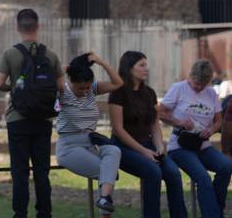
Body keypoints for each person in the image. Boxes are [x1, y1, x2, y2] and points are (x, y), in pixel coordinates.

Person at [0, 8, 64, 218]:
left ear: (18, 27)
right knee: (42, 170)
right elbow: (61, 87)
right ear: (38, 26)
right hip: (43, 119)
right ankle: (44, 212)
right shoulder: (50, 54)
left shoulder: (10, 53)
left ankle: (20, 213)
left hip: (18, 118)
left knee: (20, 170)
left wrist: (14, 88)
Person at [108, 50, 185, 218]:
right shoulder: (118, 93)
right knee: (153, 172)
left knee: (173, 172)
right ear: (129, 69)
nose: (146, 69)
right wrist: (144, 152)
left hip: (148, 145)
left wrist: (159, 146)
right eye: (141, 65)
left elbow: (154, 124)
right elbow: (118, 130)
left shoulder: (149, 93)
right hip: (123, 148)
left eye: (146, 65)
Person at [159, 59, 232, 218]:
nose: (199, 87)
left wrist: (211, 130)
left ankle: (216, 212)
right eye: (196, 83)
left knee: (226, 166)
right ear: (190, 76)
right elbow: (160, 112)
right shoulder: (178, 89)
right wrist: (179, 122)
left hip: (203, 145)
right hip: (180, 146)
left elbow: (218, 121)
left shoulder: (211, 93)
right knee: (203, 178)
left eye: (203, 84)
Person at [55, 53, 123, 215]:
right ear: (71, 82)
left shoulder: (92, 89)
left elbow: (118, 83)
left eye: (88, 87)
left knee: (114, 151)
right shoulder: (62, 90)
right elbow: (45, 84)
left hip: (91, 142)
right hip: (69, 146)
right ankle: (106, 203)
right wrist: (62, 70)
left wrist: (102, 63)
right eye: (81, 88)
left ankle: (105, 199)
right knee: (106, 172)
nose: (85, 91)